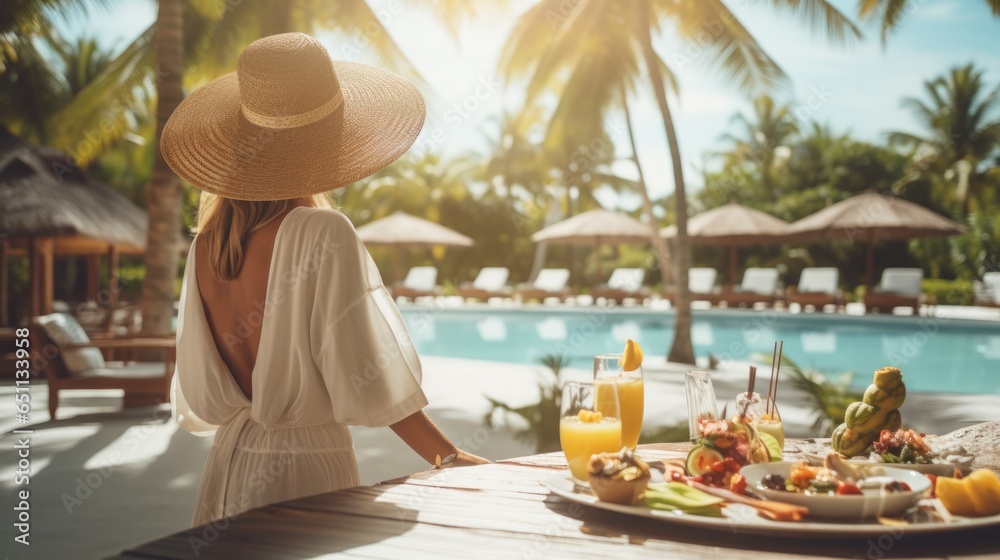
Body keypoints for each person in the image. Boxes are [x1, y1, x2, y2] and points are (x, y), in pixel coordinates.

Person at [160, 32, 488, 527]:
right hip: (304, 470)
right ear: (322, 141)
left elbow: (201, 393)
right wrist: (448, 456)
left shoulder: (205, 247)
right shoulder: (321, 231)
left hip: (226, 470)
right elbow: (367, 372)